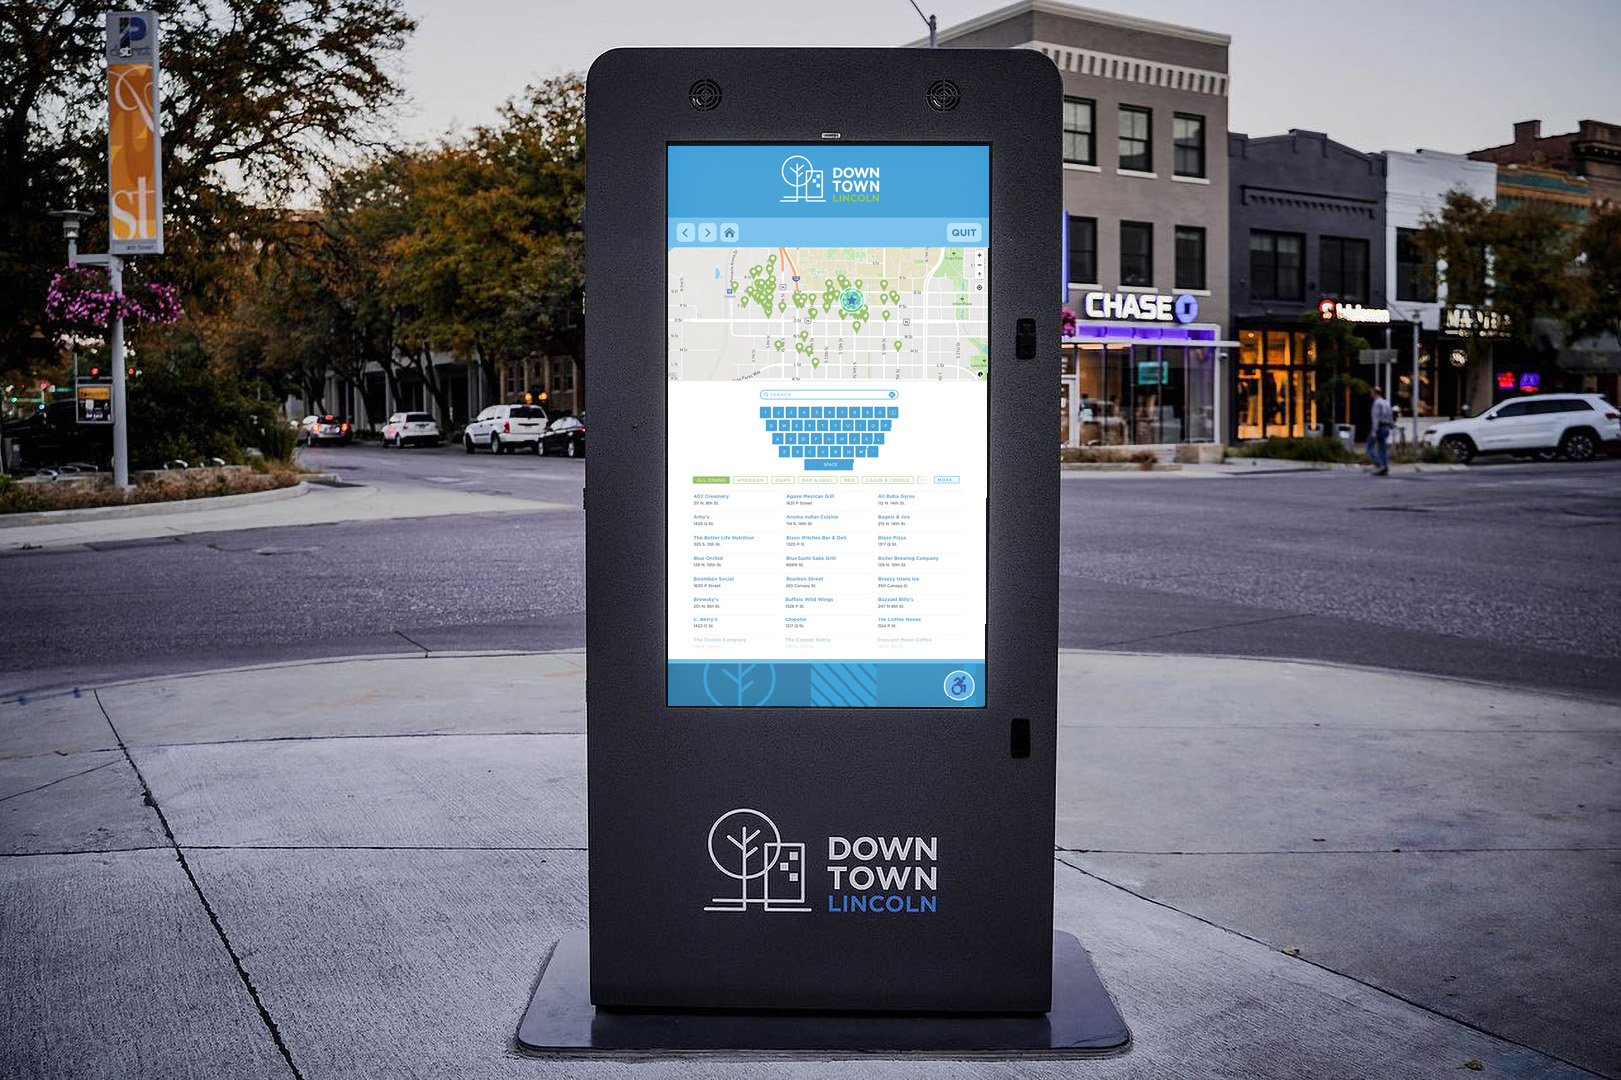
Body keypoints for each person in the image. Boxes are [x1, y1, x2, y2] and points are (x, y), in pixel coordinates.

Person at [1367, 386, 1394, 476]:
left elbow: (1375, 418)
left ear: (1375, 393)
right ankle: (1385, 466)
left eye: (1372, 393)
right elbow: (1390, 415)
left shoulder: (1376, 403)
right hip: (1386, 426)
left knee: (1370, 446)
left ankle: (1378, 464)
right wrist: (1391, 425)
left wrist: (1374, 431)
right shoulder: (1386, 402)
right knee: (1383, 447)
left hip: (1379, 427)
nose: (1371, 394)